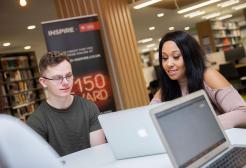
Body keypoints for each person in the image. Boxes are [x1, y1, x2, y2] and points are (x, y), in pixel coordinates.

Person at [151, 31, 246, 130]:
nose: (169, 64)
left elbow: (243, 112)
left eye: (176, 57)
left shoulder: (208, 76)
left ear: (190, 56)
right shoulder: (164, 91)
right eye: (164, 58)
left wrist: (208, 124)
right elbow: (147, 120)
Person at [27, 52, 106, 156]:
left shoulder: (89, 108)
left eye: (68, 76)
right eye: (57, 78)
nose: (65, 82)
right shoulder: (36, 122)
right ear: (43, 82)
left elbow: (100, 154)